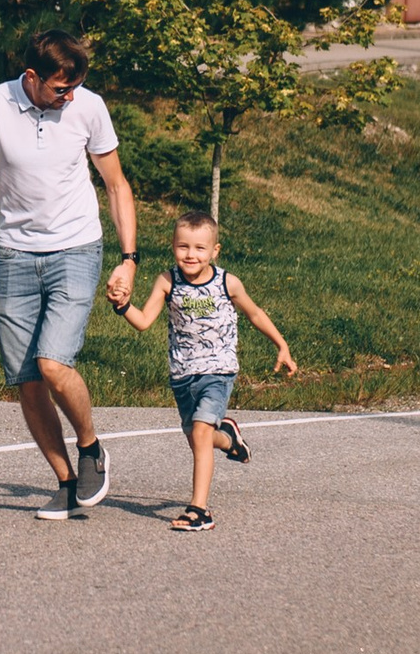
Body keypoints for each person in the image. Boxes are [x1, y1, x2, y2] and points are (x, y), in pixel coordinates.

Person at [0, 30, 141, 520]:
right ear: (32, 78)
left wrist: (129, 258)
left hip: (76, 248)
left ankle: (91, 450)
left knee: (52, 363)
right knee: (25, 379)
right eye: (61, 88)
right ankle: (66, 482)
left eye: (77, 86)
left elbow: (116, 183)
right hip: (16, 256)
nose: (70, 96)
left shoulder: (88, 107)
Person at [111, 211, 295, 532]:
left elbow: (254, 313)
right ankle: (231, 441)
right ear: (173, 246)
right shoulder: (167, 281)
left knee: (199, 434)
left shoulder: (227, 282)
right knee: (200, 438)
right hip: (182, 374)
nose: (191, 255)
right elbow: (143, 322)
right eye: (183, 247)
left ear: (215, 250)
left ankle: (199, 510)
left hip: (218, 371)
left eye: (199, 248)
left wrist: (281, 344)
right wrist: (122, 305)